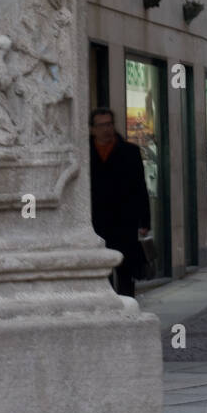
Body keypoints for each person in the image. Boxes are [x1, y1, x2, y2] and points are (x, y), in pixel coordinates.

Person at [89, 107, 151, 297]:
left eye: (109, 124)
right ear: (92, 129)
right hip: (96, 222)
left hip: (124, 221)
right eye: (101, 125)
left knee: (126, 270)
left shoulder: (130, 152)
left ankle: (127, 307)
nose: (106, 129)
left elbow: (141, 188)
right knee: (100, 270)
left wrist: (144, 222)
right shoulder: (85, 153)